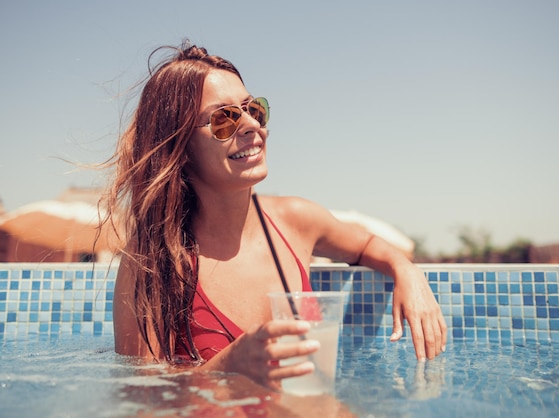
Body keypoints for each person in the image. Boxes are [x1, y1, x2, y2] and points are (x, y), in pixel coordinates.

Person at [107, 42, 447, 392]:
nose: (252, 125)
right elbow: (141, 395)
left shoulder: (295, 220)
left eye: (253, 108)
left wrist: (407, 271)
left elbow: (366, 244)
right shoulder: (153, 261)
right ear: (178, 145)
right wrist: (226, 367)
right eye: (224, 118)